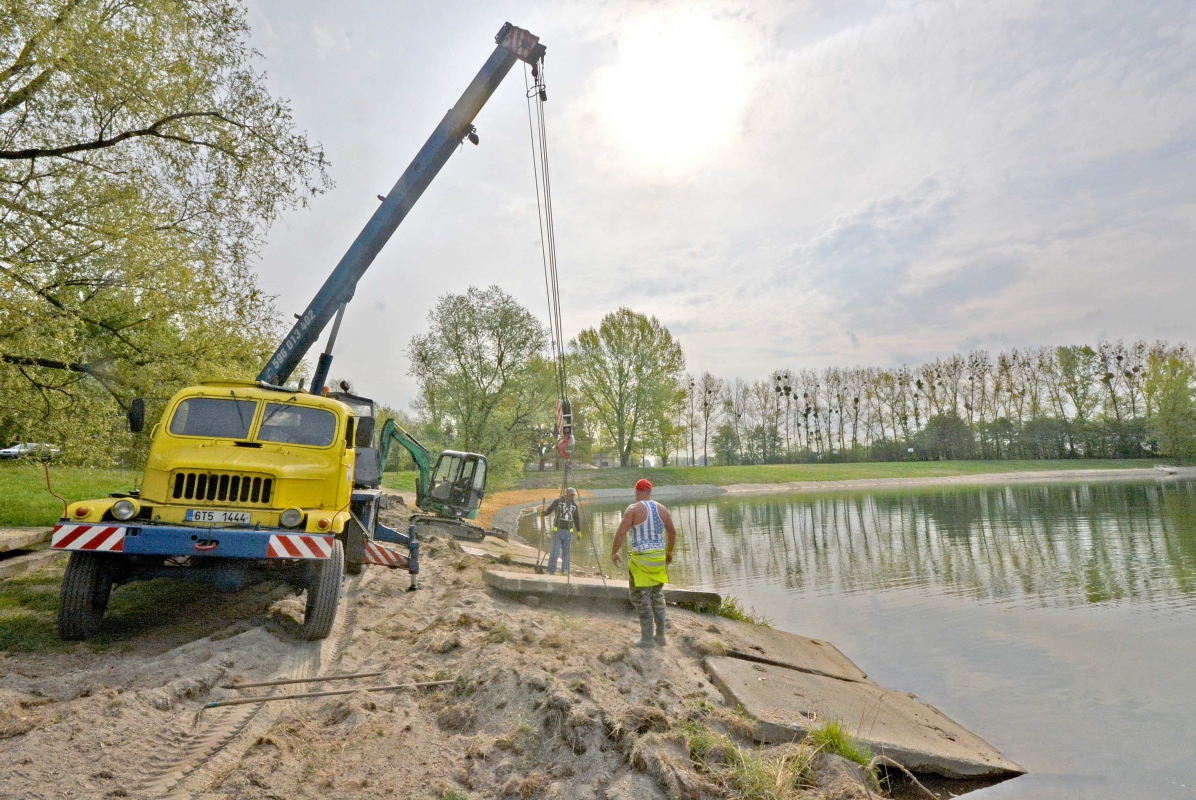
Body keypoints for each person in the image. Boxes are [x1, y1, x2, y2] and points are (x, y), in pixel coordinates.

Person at [610, 478, 677, 648]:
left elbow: (621, 533)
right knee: (657, 597)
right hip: (658, 560)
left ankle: (647, 639)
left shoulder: (633, 509)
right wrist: (669, 552)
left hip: (642, 561)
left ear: (637, 492)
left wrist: (614, 552)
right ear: (650, 492)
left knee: (640, 599)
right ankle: (661, 637)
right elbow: (672, 532)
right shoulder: (662, 509)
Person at [541, 487, 582, 575]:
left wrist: (579, 530)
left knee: (566, 552)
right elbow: (550, 509)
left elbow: (576, 518)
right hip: (558, 530)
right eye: (571, 495)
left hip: (569, 532)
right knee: (555, 551)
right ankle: (551, 570)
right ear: (566, 494)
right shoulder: (558, 502)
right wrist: (544, 513)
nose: (572, 497)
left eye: (573, 495)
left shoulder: (574, 505)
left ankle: (565, 570)